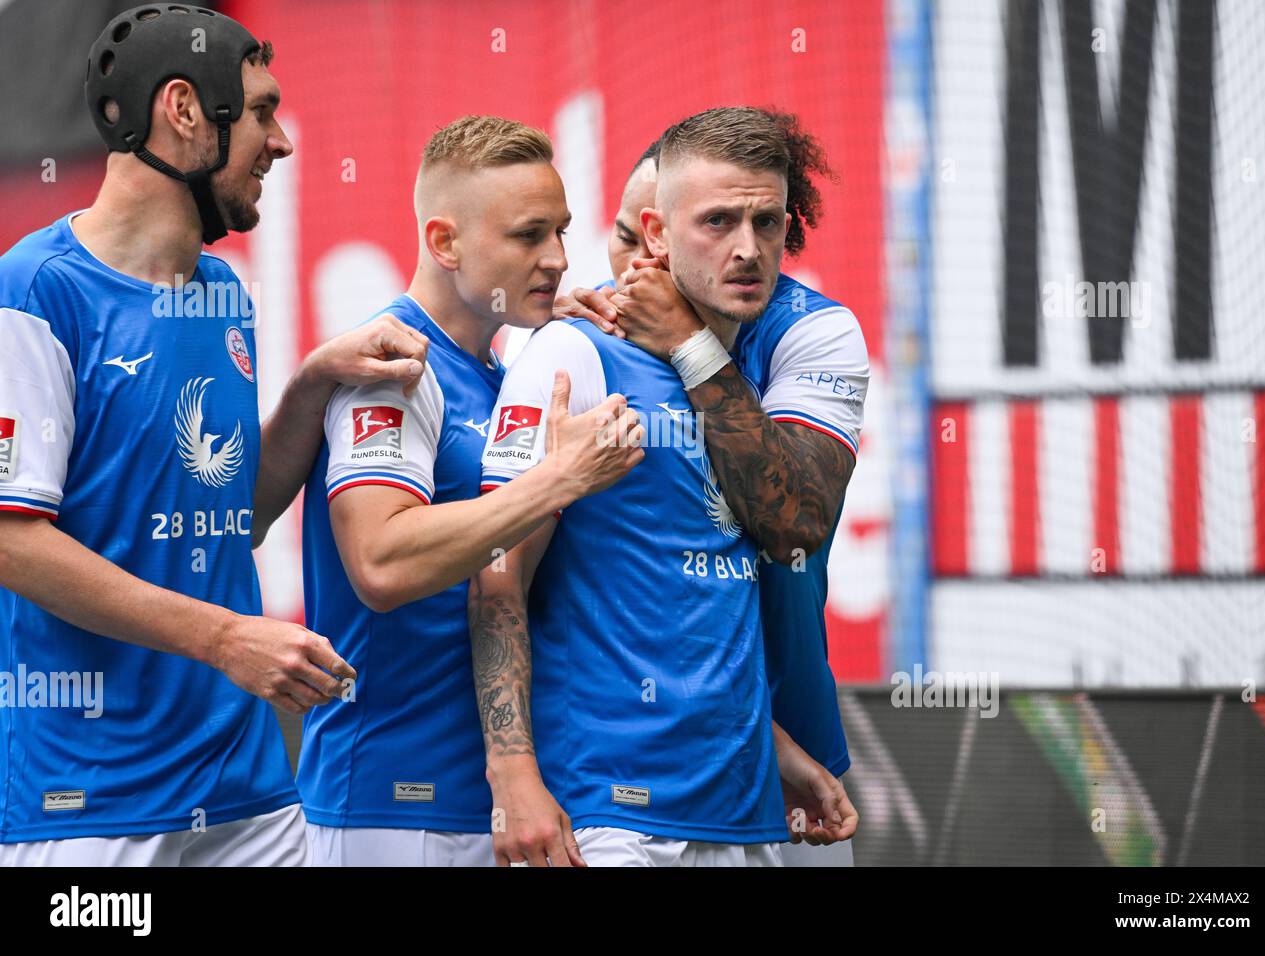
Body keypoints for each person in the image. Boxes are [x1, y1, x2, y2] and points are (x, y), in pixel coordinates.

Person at [0, 4, 424, 865]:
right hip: (89, 804)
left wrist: (312, 385)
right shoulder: (35, 290)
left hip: (247, 790)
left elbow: (236, 515)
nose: (282, 141)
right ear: (185, 110)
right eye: (262, 112)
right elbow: (12, 544)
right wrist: (228, 639)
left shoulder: (222, 291)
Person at [471, 107, 858, 867]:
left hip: (749, 798)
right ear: (655, 235)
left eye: (768, 223)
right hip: (613, 813)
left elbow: (787, 533)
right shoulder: (571, 350)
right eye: (718, 221)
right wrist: (512, 774)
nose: (748, 249)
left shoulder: (809, 334)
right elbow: (497, 578)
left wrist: (776, 749)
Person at [296, 115, 643, 866]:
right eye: (528, 237)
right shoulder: (389, 362)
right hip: (392, 803)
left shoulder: (500, 368)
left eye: (561, 232)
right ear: (444, 243)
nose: (556, 259)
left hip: (486, 802)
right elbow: (381, 565)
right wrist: (558, 479)